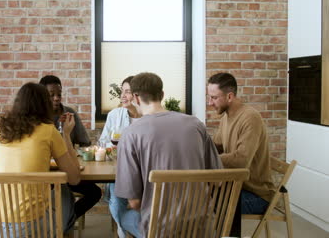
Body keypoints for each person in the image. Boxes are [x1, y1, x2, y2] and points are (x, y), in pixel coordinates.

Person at [115, 72, 223, 237]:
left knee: (121, 213)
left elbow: (135, 202)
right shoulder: (195, 124)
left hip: (161, 230)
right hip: (202, 227)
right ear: (162, 95)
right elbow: (218, 180)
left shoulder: (130, 134)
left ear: (136, 98)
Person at [0, 82, 81, 236]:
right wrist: (66, 134)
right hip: (29, 224)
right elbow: (74, 178)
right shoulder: (48, 131)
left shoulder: (2, 129)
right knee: (66, 196)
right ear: (44, 105)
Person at [207, 72, 275, 237]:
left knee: (211, 198)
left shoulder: (250, 118)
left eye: (214, 98)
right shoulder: (226, 116)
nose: (210, 103)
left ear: (229, 96)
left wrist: (207, 160)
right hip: (237, 186)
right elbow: (217, 146)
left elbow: (240, 161)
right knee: (201, 190)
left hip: (256, 194)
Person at [39, 75, 102, 220]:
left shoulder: (69, 114)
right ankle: (55, 222)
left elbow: (85, 144)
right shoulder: (38, 118)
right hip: (45, 175)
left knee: (95, 193)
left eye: (59, 94)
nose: (56, 98)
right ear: (42, 96)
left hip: (68, 173)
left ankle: (67, 220)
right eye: (51, 95)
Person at [99, 76, 141, 238]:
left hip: (144, 172)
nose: (123, 96)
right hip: (120, 169)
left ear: (138, 95)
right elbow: (103, 142)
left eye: (128, 92)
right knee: (117, 201)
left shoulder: (150, 118)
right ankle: (124, 233)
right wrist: (111, 148)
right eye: (122, 91)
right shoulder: (114, 115)